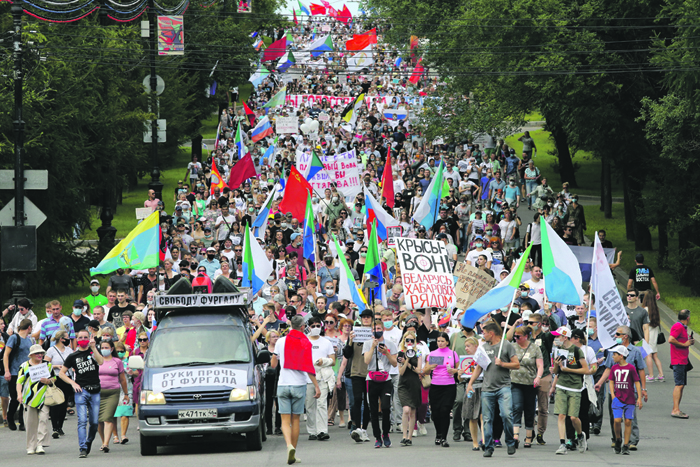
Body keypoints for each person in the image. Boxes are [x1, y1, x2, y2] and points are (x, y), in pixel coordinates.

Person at [271, 315, 321, 465]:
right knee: (296, 419)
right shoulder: (305, 342)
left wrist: (273, 358)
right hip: (299, 384)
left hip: (283, 384)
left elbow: (274, 364)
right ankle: (294, 451)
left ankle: (288, 446)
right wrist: (316, 386)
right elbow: (308, 367)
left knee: (284, 420)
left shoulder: (281, 341)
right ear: (302, 327)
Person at [466, 321, 519, 457]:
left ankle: (510, 441)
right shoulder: (483, 347)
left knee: (506, 415)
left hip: (503, 387)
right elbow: (479, 367)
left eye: (484, 332)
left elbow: (516, 364)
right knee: (487, 419)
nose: (482, 335)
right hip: (487, 388)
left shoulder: (506, 345)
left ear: (491, 333)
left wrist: (502, 363)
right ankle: (488, 446)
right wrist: (470, 383)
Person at [594, 325, 647, 450]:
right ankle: (616, 438)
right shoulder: (613, 351)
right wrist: (600, 383)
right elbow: (608, 369)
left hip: (630, 391)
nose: (615, 336)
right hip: (615, 391)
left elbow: (641, 371)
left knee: (630, 417)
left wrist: (643, 390)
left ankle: (631, 440)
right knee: (615, 416)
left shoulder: (635, 351)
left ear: (625, 336)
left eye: (618, 334)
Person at [59, 329, 105, 458]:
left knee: (94, 422)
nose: (83, 339)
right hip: (81, 390)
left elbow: (101, 362)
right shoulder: (73, 356)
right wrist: (73, 383)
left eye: (86, 337)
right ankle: (83, 447)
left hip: (95, 390)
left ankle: (89, 441)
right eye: (81, 337)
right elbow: (62, 373)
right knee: (82, 420)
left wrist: (93, 347)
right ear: (77, 339)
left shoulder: (93, 351)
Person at [550, 326, 589, 455]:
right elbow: (557, 372)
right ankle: (562, 443)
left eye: (558, 336)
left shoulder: (577, 351)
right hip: (562, 385)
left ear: (565, 337)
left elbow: (585, 370)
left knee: (573, 417)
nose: (556, 339)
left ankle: (580, 435)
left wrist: (569, 370)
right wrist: (556, 366)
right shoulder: (557, 350)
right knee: (561, 415)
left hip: (575, 387)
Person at [363, 319, 398, 448]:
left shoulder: (390, 343)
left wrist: (386, 353)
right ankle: (377, 437)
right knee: (373, 409)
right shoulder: (367, 343)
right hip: (371, 379)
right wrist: (373, 346)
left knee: (385, 407)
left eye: (378, 329)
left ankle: (386, 434)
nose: (376, 331)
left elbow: (394, 363)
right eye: (374, 329)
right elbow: (366, 361)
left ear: (383, 329)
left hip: (386, 379)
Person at [16, 344, 56, 455]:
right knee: (30, 423)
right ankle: (30, 446)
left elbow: (54, 377)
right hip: (29, 398)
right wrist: (19, 394)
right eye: (37, 353)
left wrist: (48, 381)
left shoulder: (47, 365)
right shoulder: (24, 366)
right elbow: (19, 381)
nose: (40, 355)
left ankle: (40, 444)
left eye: (41, 353)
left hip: (44, 396)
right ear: (31, 355)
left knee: (44, 419)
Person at [422, 332, 459, 447]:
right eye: (438, 341)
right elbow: (425, 371)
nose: (440, 343)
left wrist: (454, 371)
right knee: (436, 412)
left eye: (443, 341)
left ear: (447, 342)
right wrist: (430, 367)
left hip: (449, 385)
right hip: (436, 385)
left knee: (445, 410)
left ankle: (444, 437)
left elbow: (459, 369)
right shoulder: (433, 354)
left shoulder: (453, 354)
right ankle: (438, 433)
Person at [510, 325, 543, 448]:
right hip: (515, 381)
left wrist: (538, 377)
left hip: (530, 382)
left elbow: (540, 365)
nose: (516, 338)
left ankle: (529, 436)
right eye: (515, 336)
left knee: (529, 410)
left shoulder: (535, 348)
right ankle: (515, 436)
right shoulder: (512, 346)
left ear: (526, 336)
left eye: (518, 336)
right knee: (517, 406)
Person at [608, 345, 643, 455]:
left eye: (615, 354)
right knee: (617, 420)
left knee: (628, 421)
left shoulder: (631, 368)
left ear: (621, 356)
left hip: (630, 399)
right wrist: (613, 395)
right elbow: (611, 381)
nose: (613, 356)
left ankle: (626, 445)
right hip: (618, 398)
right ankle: (618, 438)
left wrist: (639, 397)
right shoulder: (614, 368)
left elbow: (637, 382)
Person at [305, 317, 335, 441]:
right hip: (307, 377)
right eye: (313, 326)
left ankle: (322, 430)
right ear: (308, 327)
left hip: (322, 376)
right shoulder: (304, 341)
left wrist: (324, 361)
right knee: (310, 405)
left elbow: (333, 361)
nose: (316, 328)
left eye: (318, 325)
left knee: (322, 404)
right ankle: (312, 431)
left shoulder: (326, 342)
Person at [97, 339, 128, 453]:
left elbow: (123, 379)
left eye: (106, 347)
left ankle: (106, 444)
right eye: (102, 348)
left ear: (112, 349)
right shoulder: (96, 360)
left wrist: (126, 394)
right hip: (98, 393)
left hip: (113, 392)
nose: (104, 350)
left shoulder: (117, 361)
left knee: (108, 417)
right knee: (99, 420)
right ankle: (103, 441)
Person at [3, 318, 33, 431]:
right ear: (29, 327)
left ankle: (22, 421)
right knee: (15, 398)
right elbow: (6, 355)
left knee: (25, 397)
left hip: (26, 373)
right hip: (15, 372)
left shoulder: (29, 340)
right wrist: (7, 370)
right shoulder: (14, 338)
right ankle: (10, 418)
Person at [45, 330, 73, 438]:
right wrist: (56, 366)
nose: (68, 339)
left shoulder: (69, 350)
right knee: (55, 402)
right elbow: (46, 364)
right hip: (56, 378)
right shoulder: (51, 350)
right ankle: (55, 427)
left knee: (64, 402)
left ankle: (60, 426)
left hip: (66, 377)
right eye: (67, 337)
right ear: (62, 339)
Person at [397, 331, 422, 446]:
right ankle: (404, 435)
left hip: (414, 383)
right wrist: (406, 359)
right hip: (403, 384)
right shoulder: (401, 353)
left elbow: (418, 370)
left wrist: (409, 364)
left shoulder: (418, 353)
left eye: (412, 340)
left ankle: (410, 437)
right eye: (407, 340)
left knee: (412, 412)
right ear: (404, 341)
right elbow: (401, 372)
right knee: (406, 410)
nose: (410, 342)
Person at [669, 309, 693, 419]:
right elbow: (671, 339)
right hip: (678, 360)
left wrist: (688, 341)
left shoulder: (683, 327)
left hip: (683, 360)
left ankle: (677, 408)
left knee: (681, 385)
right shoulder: (678, 326)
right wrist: (684, 344)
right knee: (679, 384)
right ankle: (675, 409)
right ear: (687, 318)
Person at [641, 292, 664, 382]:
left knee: (648, 355)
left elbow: (643, 325)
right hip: (654, 335)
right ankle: (661, 374)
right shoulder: (655, 309)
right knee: (655, 356)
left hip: (648, 335)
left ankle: (651, 375)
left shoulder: (645, 310)